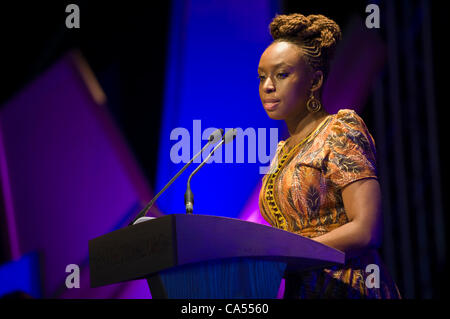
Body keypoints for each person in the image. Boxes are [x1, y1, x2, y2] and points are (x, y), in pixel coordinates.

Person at [258, 13, 401, 299]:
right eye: (262, 77)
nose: (268, 86)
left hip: (349, 288)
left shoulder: (339, 130)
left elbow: (366, 229)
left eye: (282, 74)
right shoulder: (282, 151)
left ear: (315, 81)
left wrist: (291, 254)